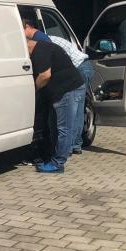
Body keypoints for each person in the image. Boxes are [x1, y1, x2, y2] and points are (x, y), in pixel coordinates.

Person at [22, 19, 93, 155]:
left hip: (79, 68)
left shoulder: (40, 39)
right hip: (78, 68)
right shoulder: (42, 37)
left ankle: (69, 148)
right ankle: (74, 145)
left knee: (72, 112)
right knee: (75, 111)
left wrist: (36, 89)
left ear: (28, 27)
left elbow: (45, 72)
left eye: (22, 29)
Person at [27, 37, 84, 174]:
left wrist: (33, 90)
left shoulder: (40, 51)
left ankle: (58, 163)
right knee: (54, 126)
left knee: (64, 128)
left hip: (67, 90)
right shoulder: (44, 47)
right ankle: (53, 157)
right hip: (64, 89)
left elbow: (45, 75)